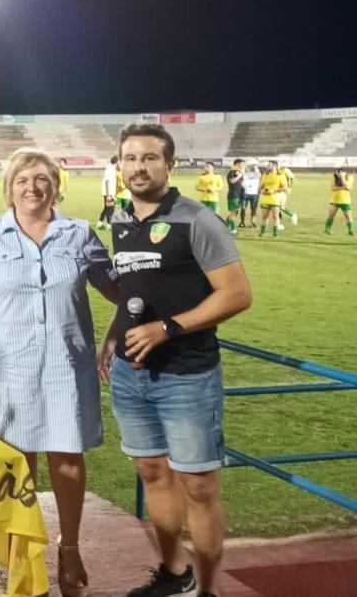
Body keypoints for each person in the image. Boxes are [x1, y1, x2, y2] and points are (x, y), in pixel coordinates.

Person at [0, 148, 117, 597]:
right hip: (8, 369)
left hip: (67, 364)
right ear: (9, 188)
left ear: (56, 186)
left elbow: (121, 292)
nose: (32, 187)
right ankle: (22, 559)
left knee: (67, 458)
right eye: (23, 180)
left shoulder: (80, 235)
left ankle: (69, 548)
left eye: (41, 179)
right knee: (15, 464)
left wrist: (117, 333)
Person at [100, 124, 251, 597]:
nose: (138, 167)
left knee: (200, 487)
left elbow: (237, 294)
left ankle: (208, 591)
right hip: (131, 372)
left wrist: (169, 328)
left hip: (186, 374)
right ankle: (174, 573)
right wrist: (112, 335)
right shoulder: (122, 220)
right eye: (130, 158)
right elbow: (133, 291)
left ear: (169, 164)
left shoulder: (199, 220)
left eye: (149, 158)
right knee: (152, 474)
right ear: (119, 165)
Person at [258, 162, 286, 238]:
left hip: (275, 199)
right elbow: (261, 186)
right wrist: (262, 190)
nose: (268, 166)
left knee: (275, 216)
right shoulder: (265, 175)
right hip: (265, 199)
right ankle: (262, 232)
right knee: (264, 216)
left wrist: (274, 191)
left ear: (275, 166)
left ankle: (275, 233)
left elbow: (284, 187)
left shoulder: (280, 176)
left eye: (269, 165)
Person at [325, 166, 355, 236]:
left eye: (340, 172)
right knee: (331, 215)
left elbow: (347, 186)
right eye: (338, 171)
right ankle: (327, 230)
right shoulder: (334, 177)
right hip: (334, 200)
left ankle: (350, 230)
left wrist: (343, 177)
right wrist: (343, 187)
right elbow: (333, 188)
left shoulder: (350, 177)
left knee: (348, 216)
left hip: (345, 200)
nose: (338, 173)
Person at [272, 160, 299, 228]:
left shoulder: (284, 170)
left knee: (280, 206)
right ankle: (278, 224)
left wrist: (289, 187)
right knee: (276, 206)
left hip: (283, 190)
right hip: (276, 190)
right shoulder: (273, 171)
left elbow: (292, 178)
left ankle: (292, 214)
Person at [97, 156, 117, 230]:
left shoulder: (111, 168)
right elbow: (107, 182)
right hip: (109, 193)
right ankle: (109, 225)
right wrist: (109, 194)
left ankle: (100, 223)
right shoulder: (109, 169)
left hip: (110, 192)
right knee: (110, 209)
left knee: (107, 208)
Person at [224, 159, 245, 233]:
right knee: (233, 213)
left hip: (238, 195)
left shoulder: (239, 172)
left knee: (235, 212)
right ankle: (232, 228)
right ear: (237, 164)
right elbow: (232, 181)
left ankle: (226, 226)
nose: (243, 166)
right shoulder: (232, 172)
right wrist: (239, 176)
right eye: (242, 164)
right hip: (233, 195)